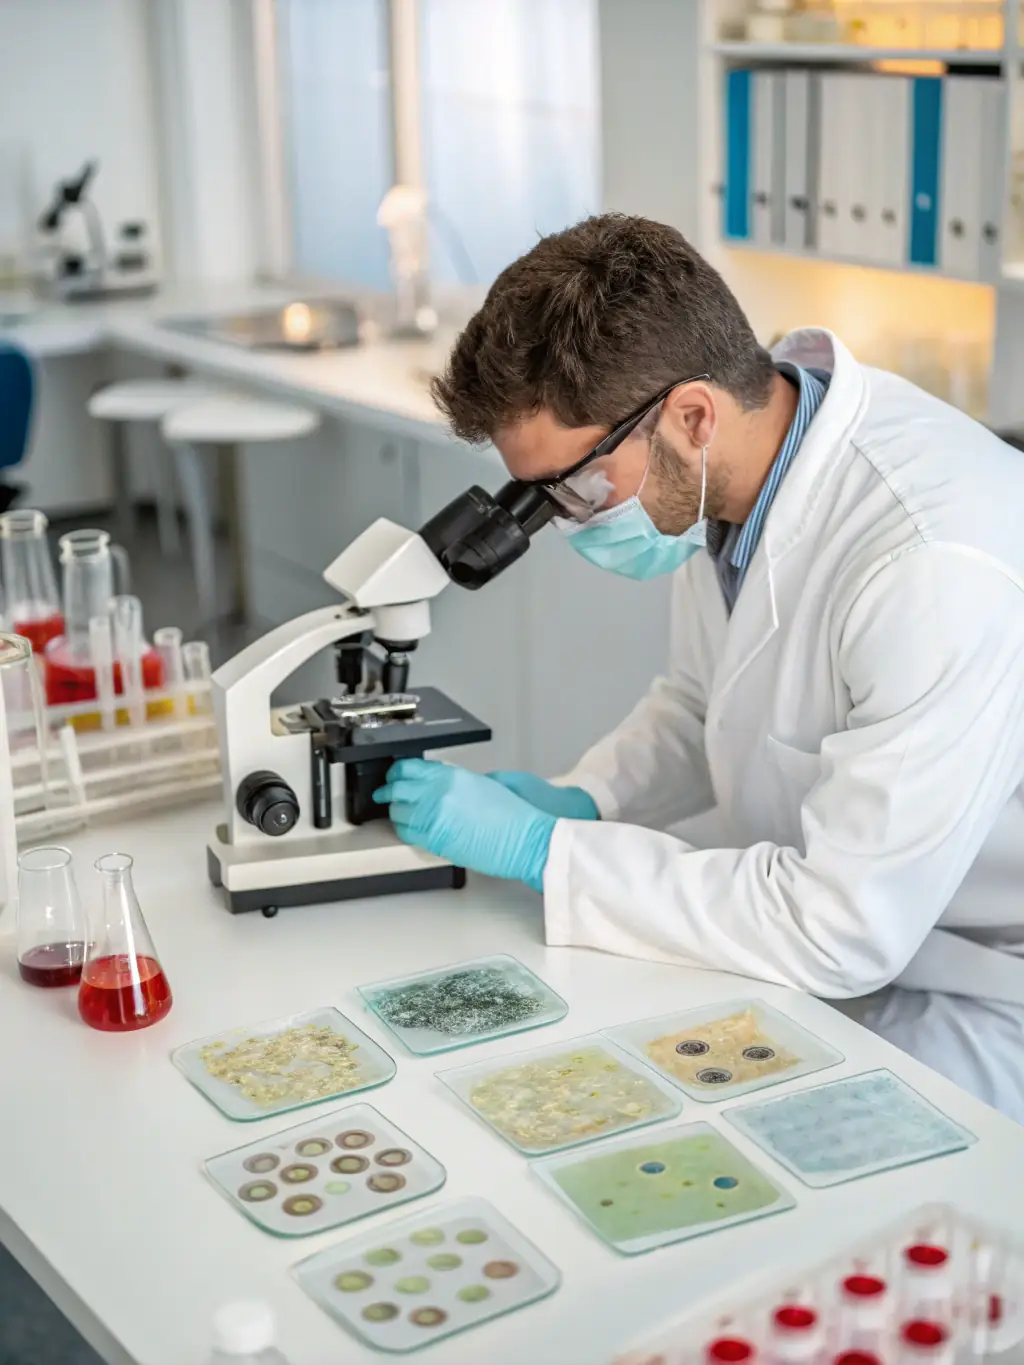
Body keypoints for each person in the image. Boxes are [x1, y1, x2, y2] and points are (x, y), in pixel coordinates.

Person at [373, 214, 1024, 1122]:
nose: (562, 520)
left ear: (690, 415)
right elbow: (698, 703)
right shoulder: (731, 480)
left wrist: (548, 852)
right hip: (867, 936)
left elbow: (838, 928)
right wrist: (585, 800)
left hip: (987, 983)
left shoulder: (929, 566)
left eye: (575, 489)